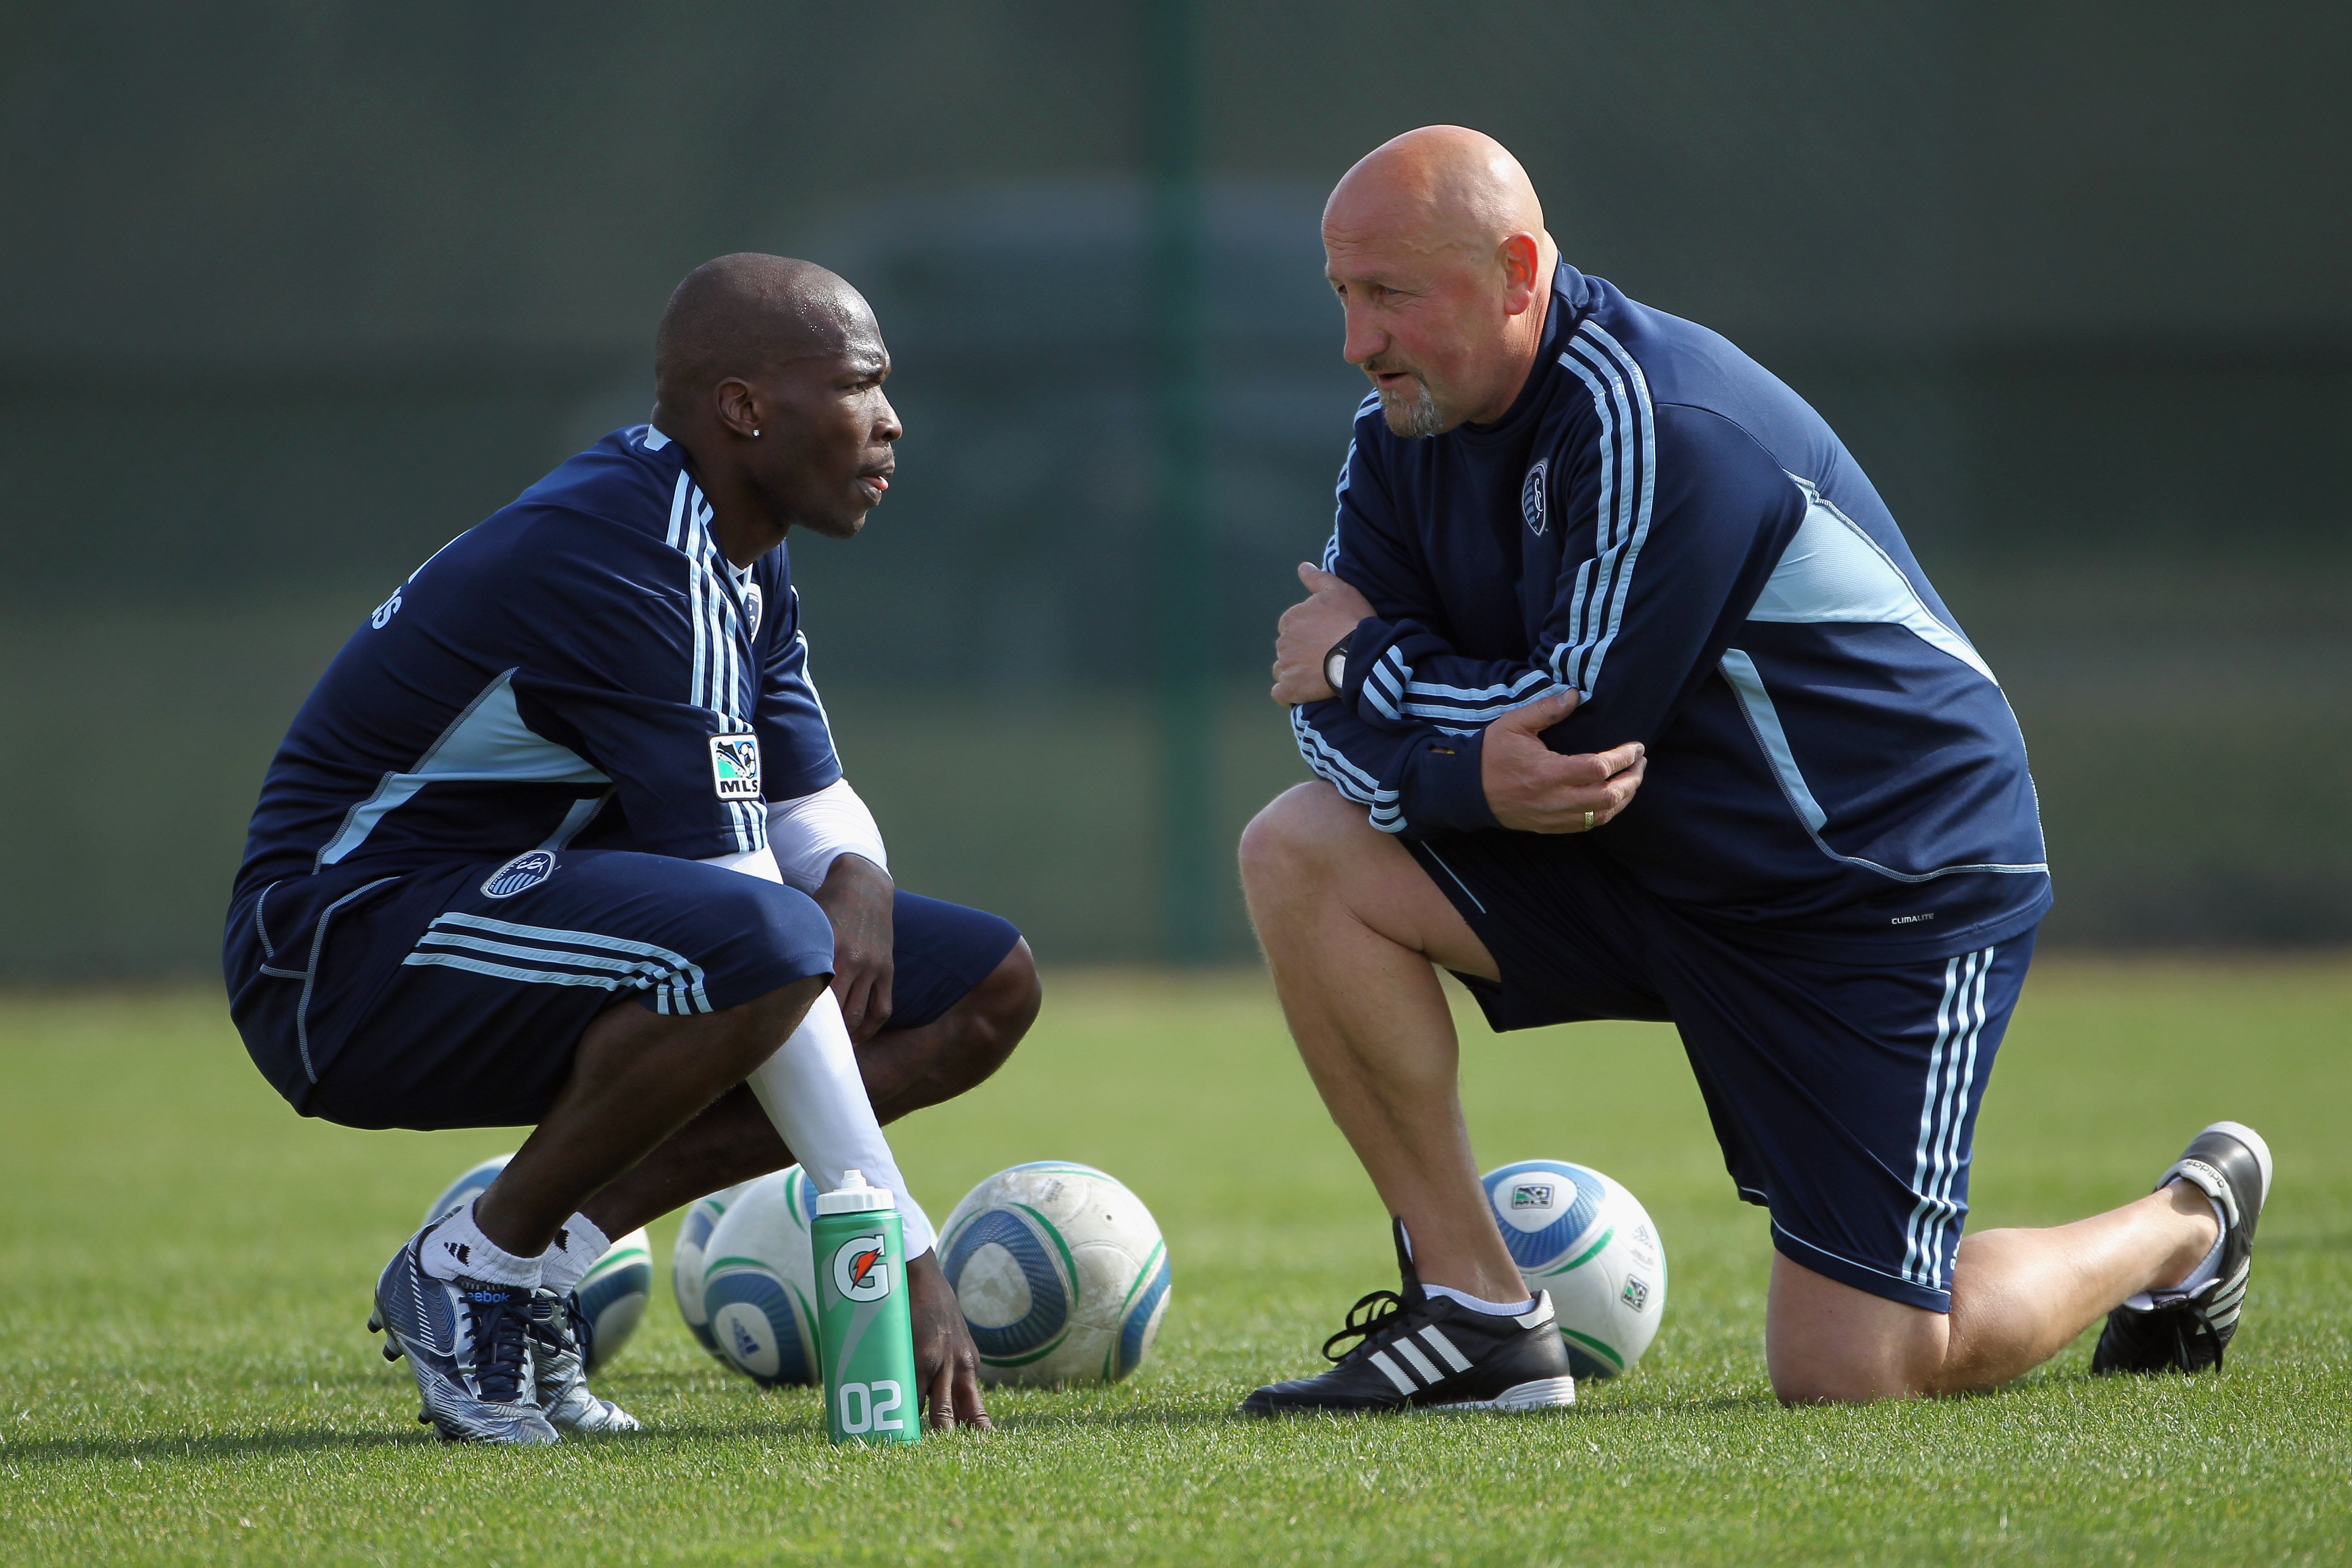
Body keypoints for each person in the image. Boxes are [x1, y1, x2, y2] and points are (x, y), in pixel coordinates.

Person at [1237, 127, 2269, 1413]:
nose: (1358, 339)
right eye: (1343, 294)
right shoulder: (1399, 432)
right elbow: (1316, 711)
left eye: (1390, 294)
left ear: (1515, 272)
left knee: (1861, 1371)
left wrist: (1376, 675)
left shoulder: (1660, 420)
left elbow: (1570, 721)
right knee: (1300, 851)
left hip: (1877, 884)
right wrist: (1457, 772)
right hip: (1638, 858)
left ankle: (2188, 1222)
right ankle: (1481, 1319)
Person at [223, 254, 1037, 1443]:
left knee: (978, 988)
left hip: (495, 910)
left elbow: (807, 801)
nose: (891, 420)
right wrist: (897, 1246)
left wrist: (858, 874)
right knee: (765, 940)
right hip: (337, 955)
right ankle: (471, 1267)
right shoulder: (632, 558)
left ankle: (547, 1252)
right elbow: (753, 917)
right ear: (747, 409)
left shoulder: (737, 539)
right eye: (861, 385)